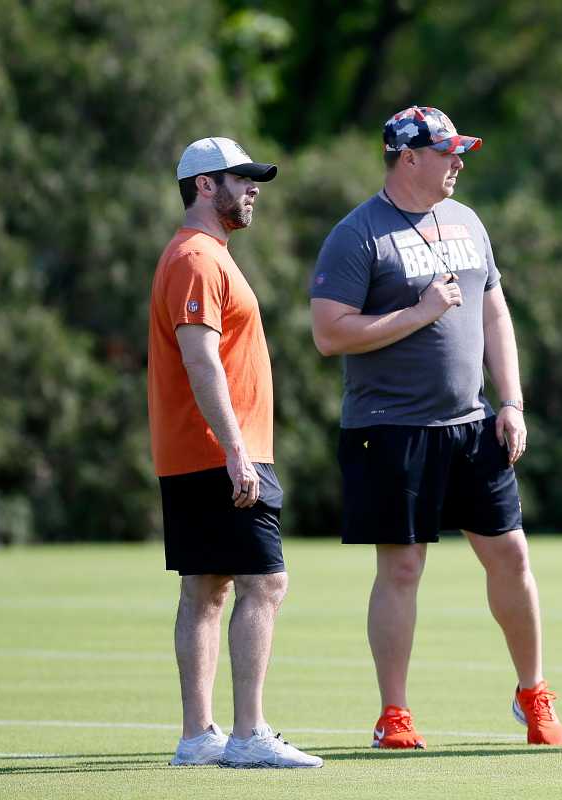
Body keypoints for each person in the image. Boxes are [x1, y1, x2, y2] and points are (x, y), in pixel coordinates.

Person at [308, 106, 562, 749]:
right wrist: (418, 313)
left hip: (473, 424)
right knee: (401, 569)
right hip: (389, 427)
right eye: (447, 152)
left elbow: (496, 316)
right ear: (408, 157)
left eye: (460, 151)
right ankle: (393, 715)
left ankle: (533, 694)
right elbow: (328, 333)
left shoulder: (468, 220)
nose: (459, 162)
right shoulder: (356, 234)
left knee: (511, 556)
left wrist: (512, 402)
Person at [148, 137, 322, 768]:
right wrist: (236, 451)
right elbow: (201, 360)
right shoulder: (197, 257)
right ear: (204, 186)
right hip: (220, 451)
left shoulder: (202, 254)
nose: (252, 189)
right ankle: (247, 735)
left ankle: (199, 738)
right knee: (264, 582)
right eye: (240, 178)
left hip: (201, 452)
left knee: (206, 589)